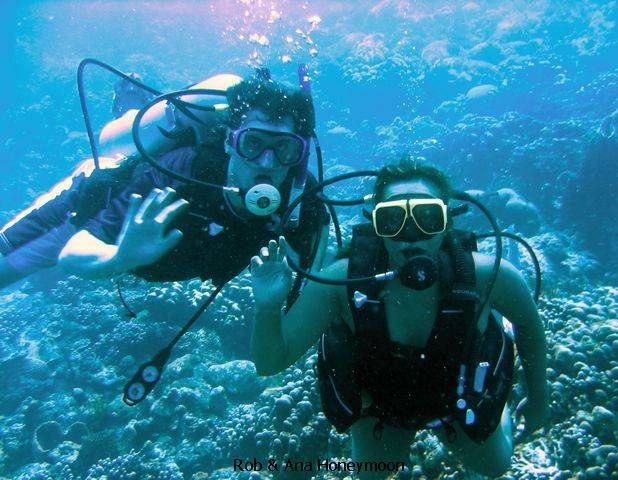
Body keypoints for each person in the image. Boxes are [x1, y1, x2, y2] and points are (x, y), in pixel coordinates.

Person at [250, 157, 549, 478]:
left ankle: (491, 337)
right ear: (376, 226)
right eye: (392, 220)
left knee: (495, 467)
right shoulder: (341, 285)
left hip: (459, 399)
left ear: (447, 220)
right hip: (382, 407)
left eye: (427, 217)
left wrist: (538, 399)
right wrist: (267, 307)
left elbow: (529, 326)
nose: (411, 235)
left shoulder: (489, 276)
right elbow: (271, 362)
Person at [58, 75, 328, 289]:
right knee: (118, 152)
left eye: (285, 149)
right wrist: (118, 259)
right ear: (228, 141)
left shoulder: (301, 200)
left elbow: (316, 283)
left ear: (300, 154)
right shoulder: (180, 174)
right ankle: (131, 106)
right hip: (123, 226)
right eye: (253, 143)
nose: (267, 162)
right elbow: (71, 254)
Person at [0, 72, 155, 290]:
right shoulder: (180, 150)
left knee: (20, 246)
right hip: (139, 218)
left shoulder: (104, 166)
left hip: (91, 216)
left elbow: (46, 216)